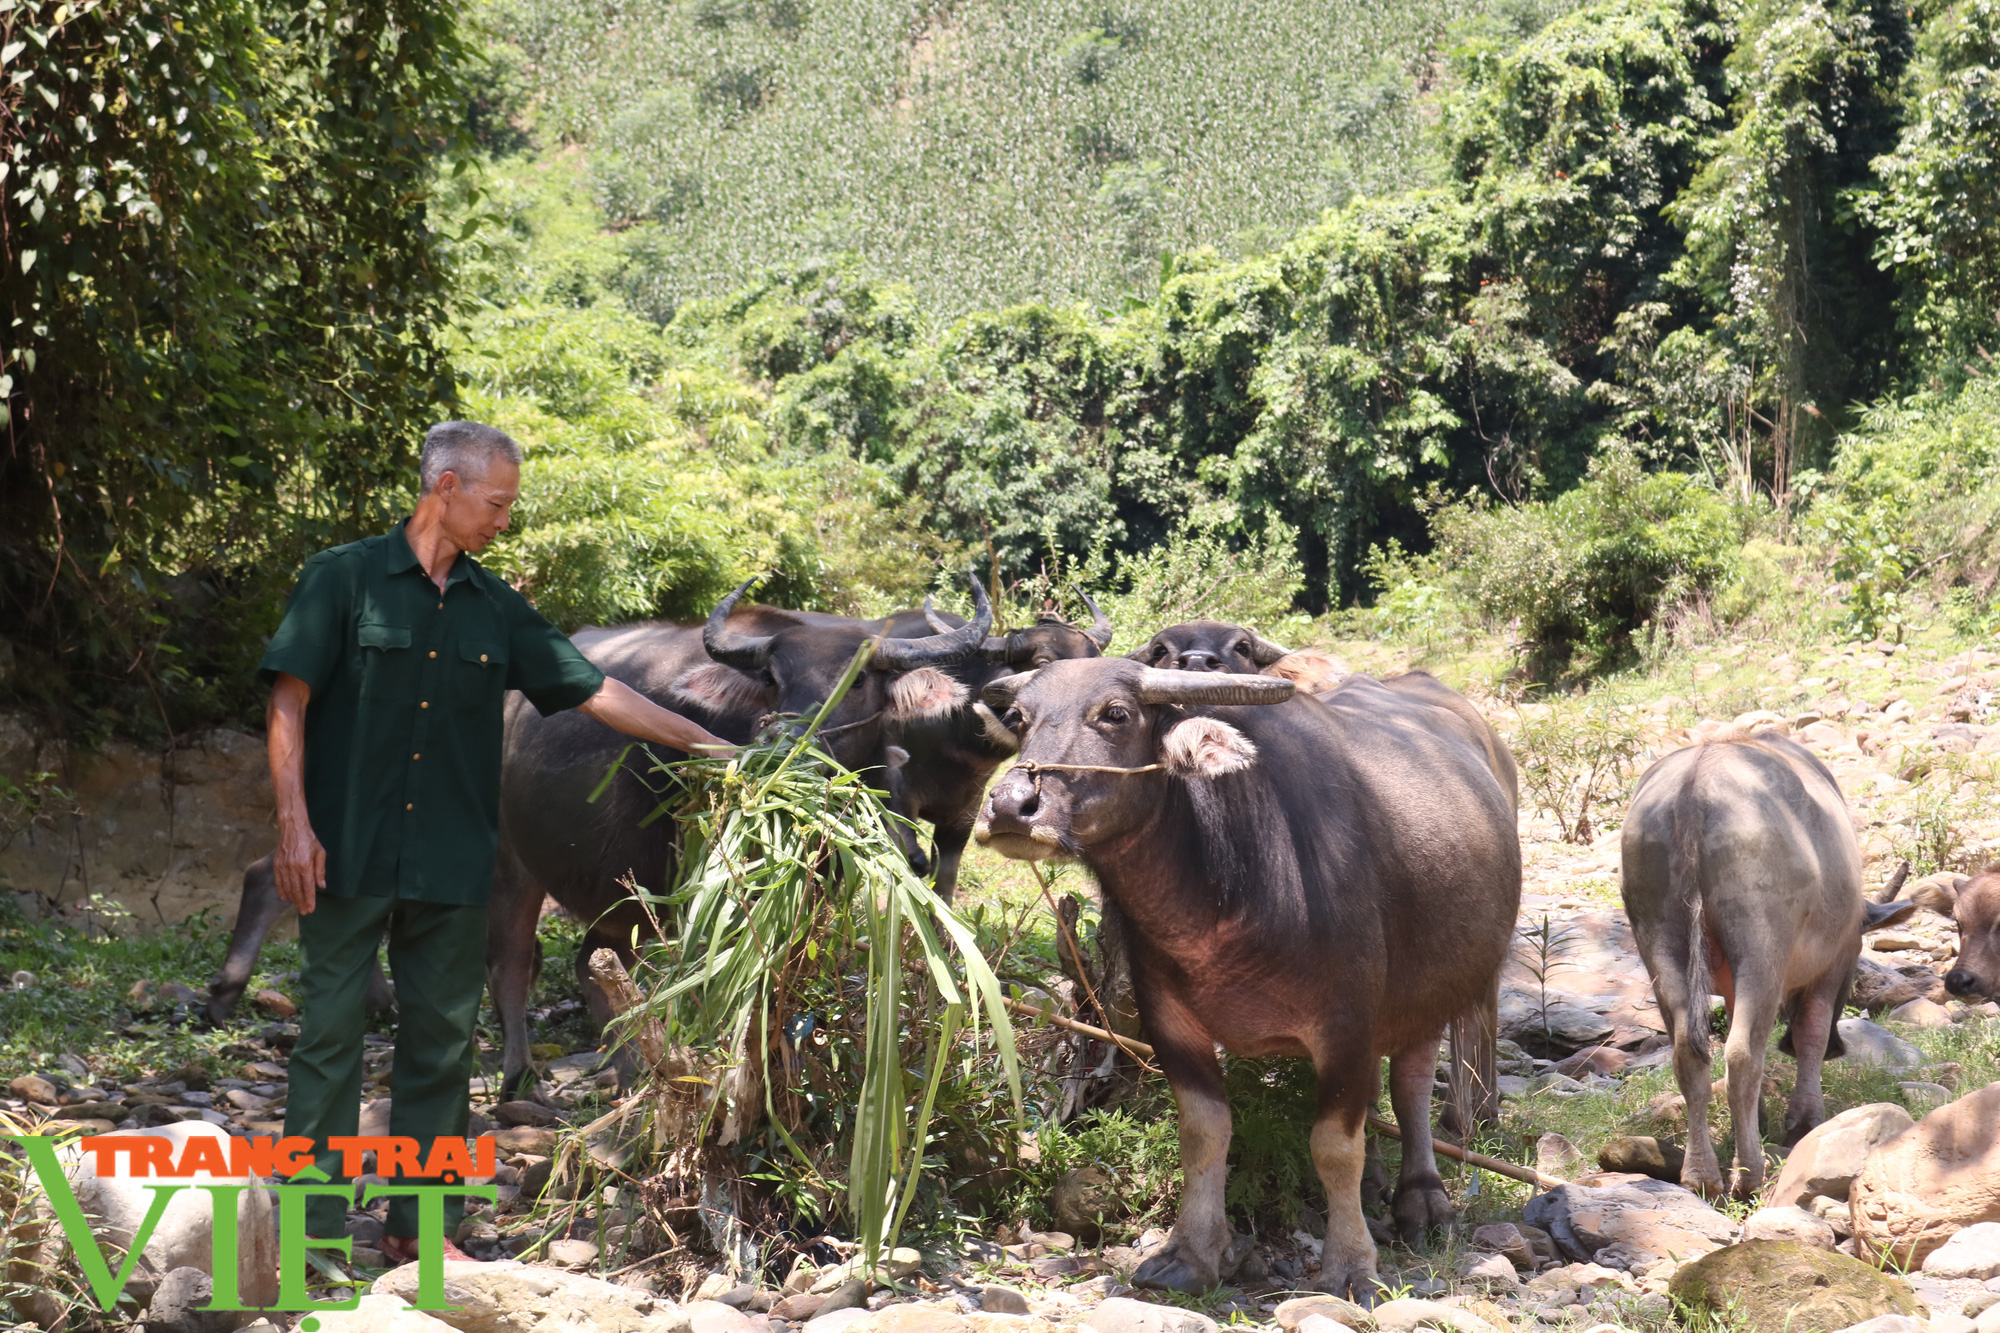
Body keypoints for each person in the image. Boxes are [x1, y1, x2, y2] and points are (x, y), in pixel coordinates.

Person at [258, 421, 735, 1264]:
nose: (504, 521)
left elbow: (599, 693)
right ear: (445, 486)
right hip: (343, 853)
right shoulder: (343, 580)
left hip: (451, 864)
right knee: (328, 1039)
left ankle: (421, 1229)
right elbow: (288, 701)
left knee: (441, 1047)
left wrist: (714, 747)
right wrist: (293, 823)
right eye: (497, 502)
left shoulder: (495, 607)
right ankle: (311, 1235)